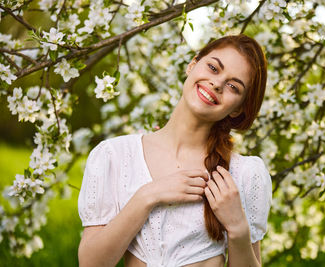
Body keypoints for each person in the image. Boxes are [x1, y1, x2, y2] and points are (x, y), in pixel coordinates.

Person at [77, 34, 272, 267]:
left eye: (233, 86)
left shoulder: (246, 174)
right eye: (213, 67)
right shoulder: (114, 156)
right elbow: (90, 263)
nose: (217, 83)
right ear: (192, 65)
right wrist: (147, 196)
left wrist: (239, 229)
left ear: (238, 109)